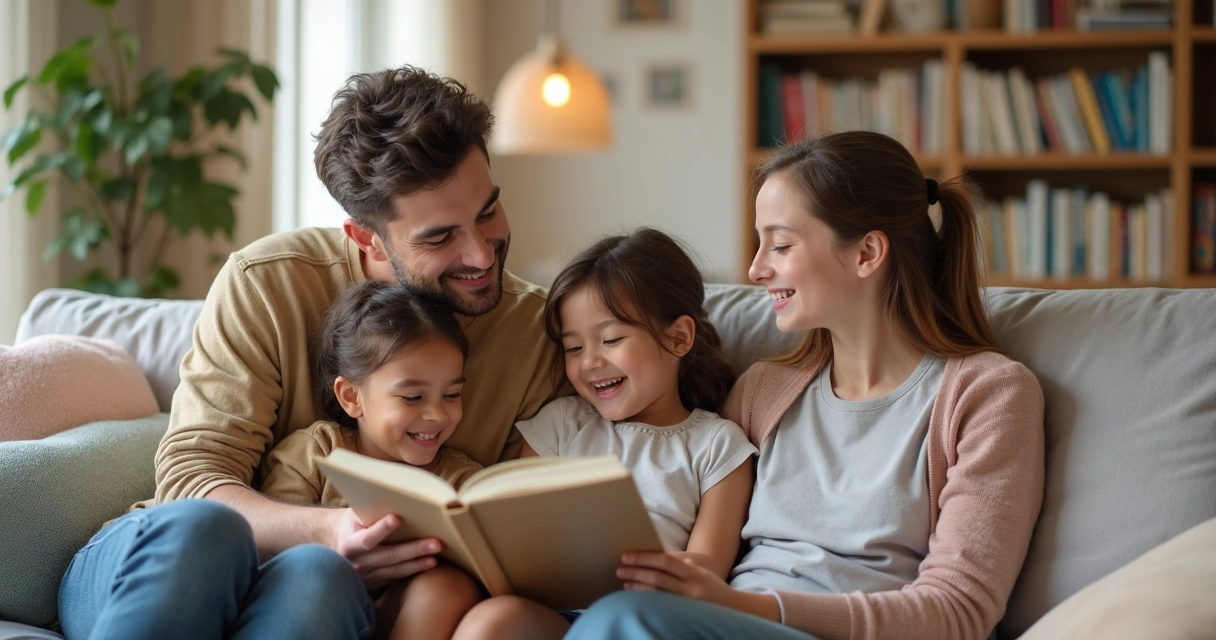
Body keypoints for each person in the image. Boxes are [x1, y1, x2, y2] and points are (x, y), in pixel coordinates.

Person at [57, 65, 566, 640]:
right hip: (168, 564)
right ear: (365, 237)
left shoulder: (540, 330)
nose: (481, 254)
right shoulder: (268, 282)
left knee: (319, 578)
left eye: (487, 212)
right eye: (440, 236)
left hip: (325, 597)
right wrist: (329, 529)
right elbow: (192, 478)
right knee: (209, 531)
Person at [565, 131, 1047, 640]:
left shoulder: (987, 394)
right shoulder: (761, 391)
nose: (755, 269)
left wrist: (746, 607)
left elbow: (958, 613)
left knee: (621, 622)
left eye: (780, 245)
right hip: (722, 623)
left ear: (867, 253)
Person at [451, 228, 757, 640]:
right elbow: (518, 526)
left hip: (643, 614)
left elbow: (707, 567)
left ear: (679, 337)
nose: (590, 362)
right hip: (555, 611)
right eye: (573, 348)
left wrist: (647, 572)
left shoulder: (717, 445)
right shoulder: (561, 424)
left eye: (611, 340)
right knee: (493, 621)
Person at [260, 280, 483, 640]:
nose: (437, 415)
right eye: (412, 397)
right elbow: (275, 555)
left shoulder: (462, 479)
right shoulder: (316, 453)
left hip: (409, 617)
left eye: (452, 394)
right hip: (315, 609)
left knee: (447, 585)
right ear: (351, 396)